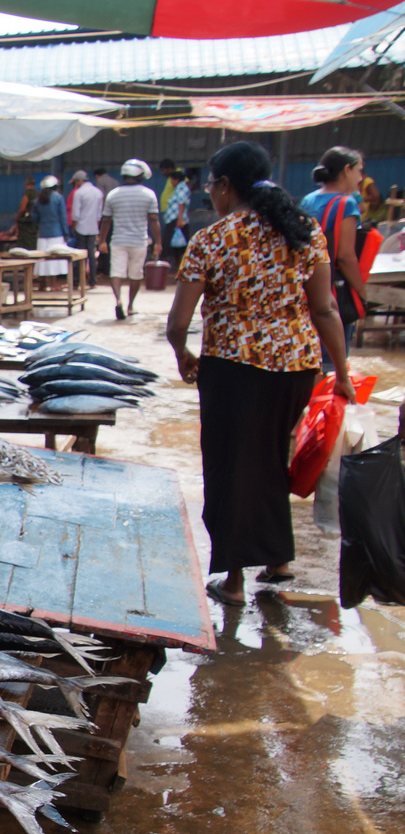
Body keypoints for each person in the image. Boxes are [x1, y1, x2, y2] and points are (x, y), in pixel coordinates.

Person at [166, 141, 357, 607]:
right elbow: (326, 309)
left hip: (232, 369)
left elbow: (177, 321)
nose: (211, 194)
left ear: (226, 186)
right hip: (296, 368)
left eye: (211, 186)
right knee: (273, 457)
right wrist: (344, 371)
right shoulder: (305, 232)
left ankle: (233, 580)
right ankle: (278, 560)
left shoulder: (211, 239)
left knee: (232, 467)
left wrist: (183, 353)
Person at [300, 146, 366, 370]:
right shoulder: (346, 203)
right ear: (347, 170)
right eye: (359, 170)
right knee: (332, 363)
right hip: (333, 293)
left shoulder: (308, 200)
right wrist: (362, 291)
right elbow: (346, 257)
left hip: (306, 290)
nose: (361, 177)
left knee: (311, 359)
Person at [99, 158, 161, 320]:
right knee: (135, 274)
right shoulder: (149, 194)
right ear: (140, 176)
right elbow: (154, 219)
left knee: (116, 272)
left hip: (118, 240)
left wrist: (102, 241)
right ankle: (131, 306)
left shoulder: (113, 195)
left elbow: (106, 220)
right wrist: (158, 242)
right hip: (139, 241)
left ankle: (118, 300)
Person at [33, 175, 70, 285]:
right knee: (55, 259)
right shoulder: (58, 198)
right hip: (56, 233)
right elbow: (63, 217)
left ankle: (42, 285)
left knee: (42, 259)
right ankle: (54, 285)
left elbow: (35, 218)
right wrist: (66, 233)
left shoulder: (37, 200)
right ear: (55, 186)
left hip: (43, 233)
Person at [70, 169, 104, 287]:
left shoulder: (79, 193)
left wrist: (73, 227)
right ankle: (93, 281)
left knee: (80, 255)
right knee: (91, 255)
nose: (75, 184)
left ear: (80, 180)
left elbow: (76, 213)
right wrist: (97, 228)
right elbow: (99, 213)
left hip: (81, 227)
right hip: (93, 228)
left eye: (75, 182)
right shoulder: (98, 192)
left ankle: (76, 281)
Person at [161, 162, 191, 270]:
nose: (171, 182)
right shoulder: (179, 187)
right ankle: (177, 267)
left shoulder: (181, 187)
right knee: (177, 247)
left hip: (176, 220)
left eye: (172, 180)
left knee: (170, 244)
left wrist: (179, 219)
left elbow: (181, 203)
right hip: (173, 219)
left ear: (176, 180)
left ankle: (167, 268)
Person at [15, 175, 38, 248]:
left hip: (26, 224)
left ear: (26, 184)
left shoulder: (27, 193)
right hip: (36, 223)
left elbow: (22, 209)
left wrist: (17, 218)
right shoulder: (39, 194)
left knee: (25, 245)